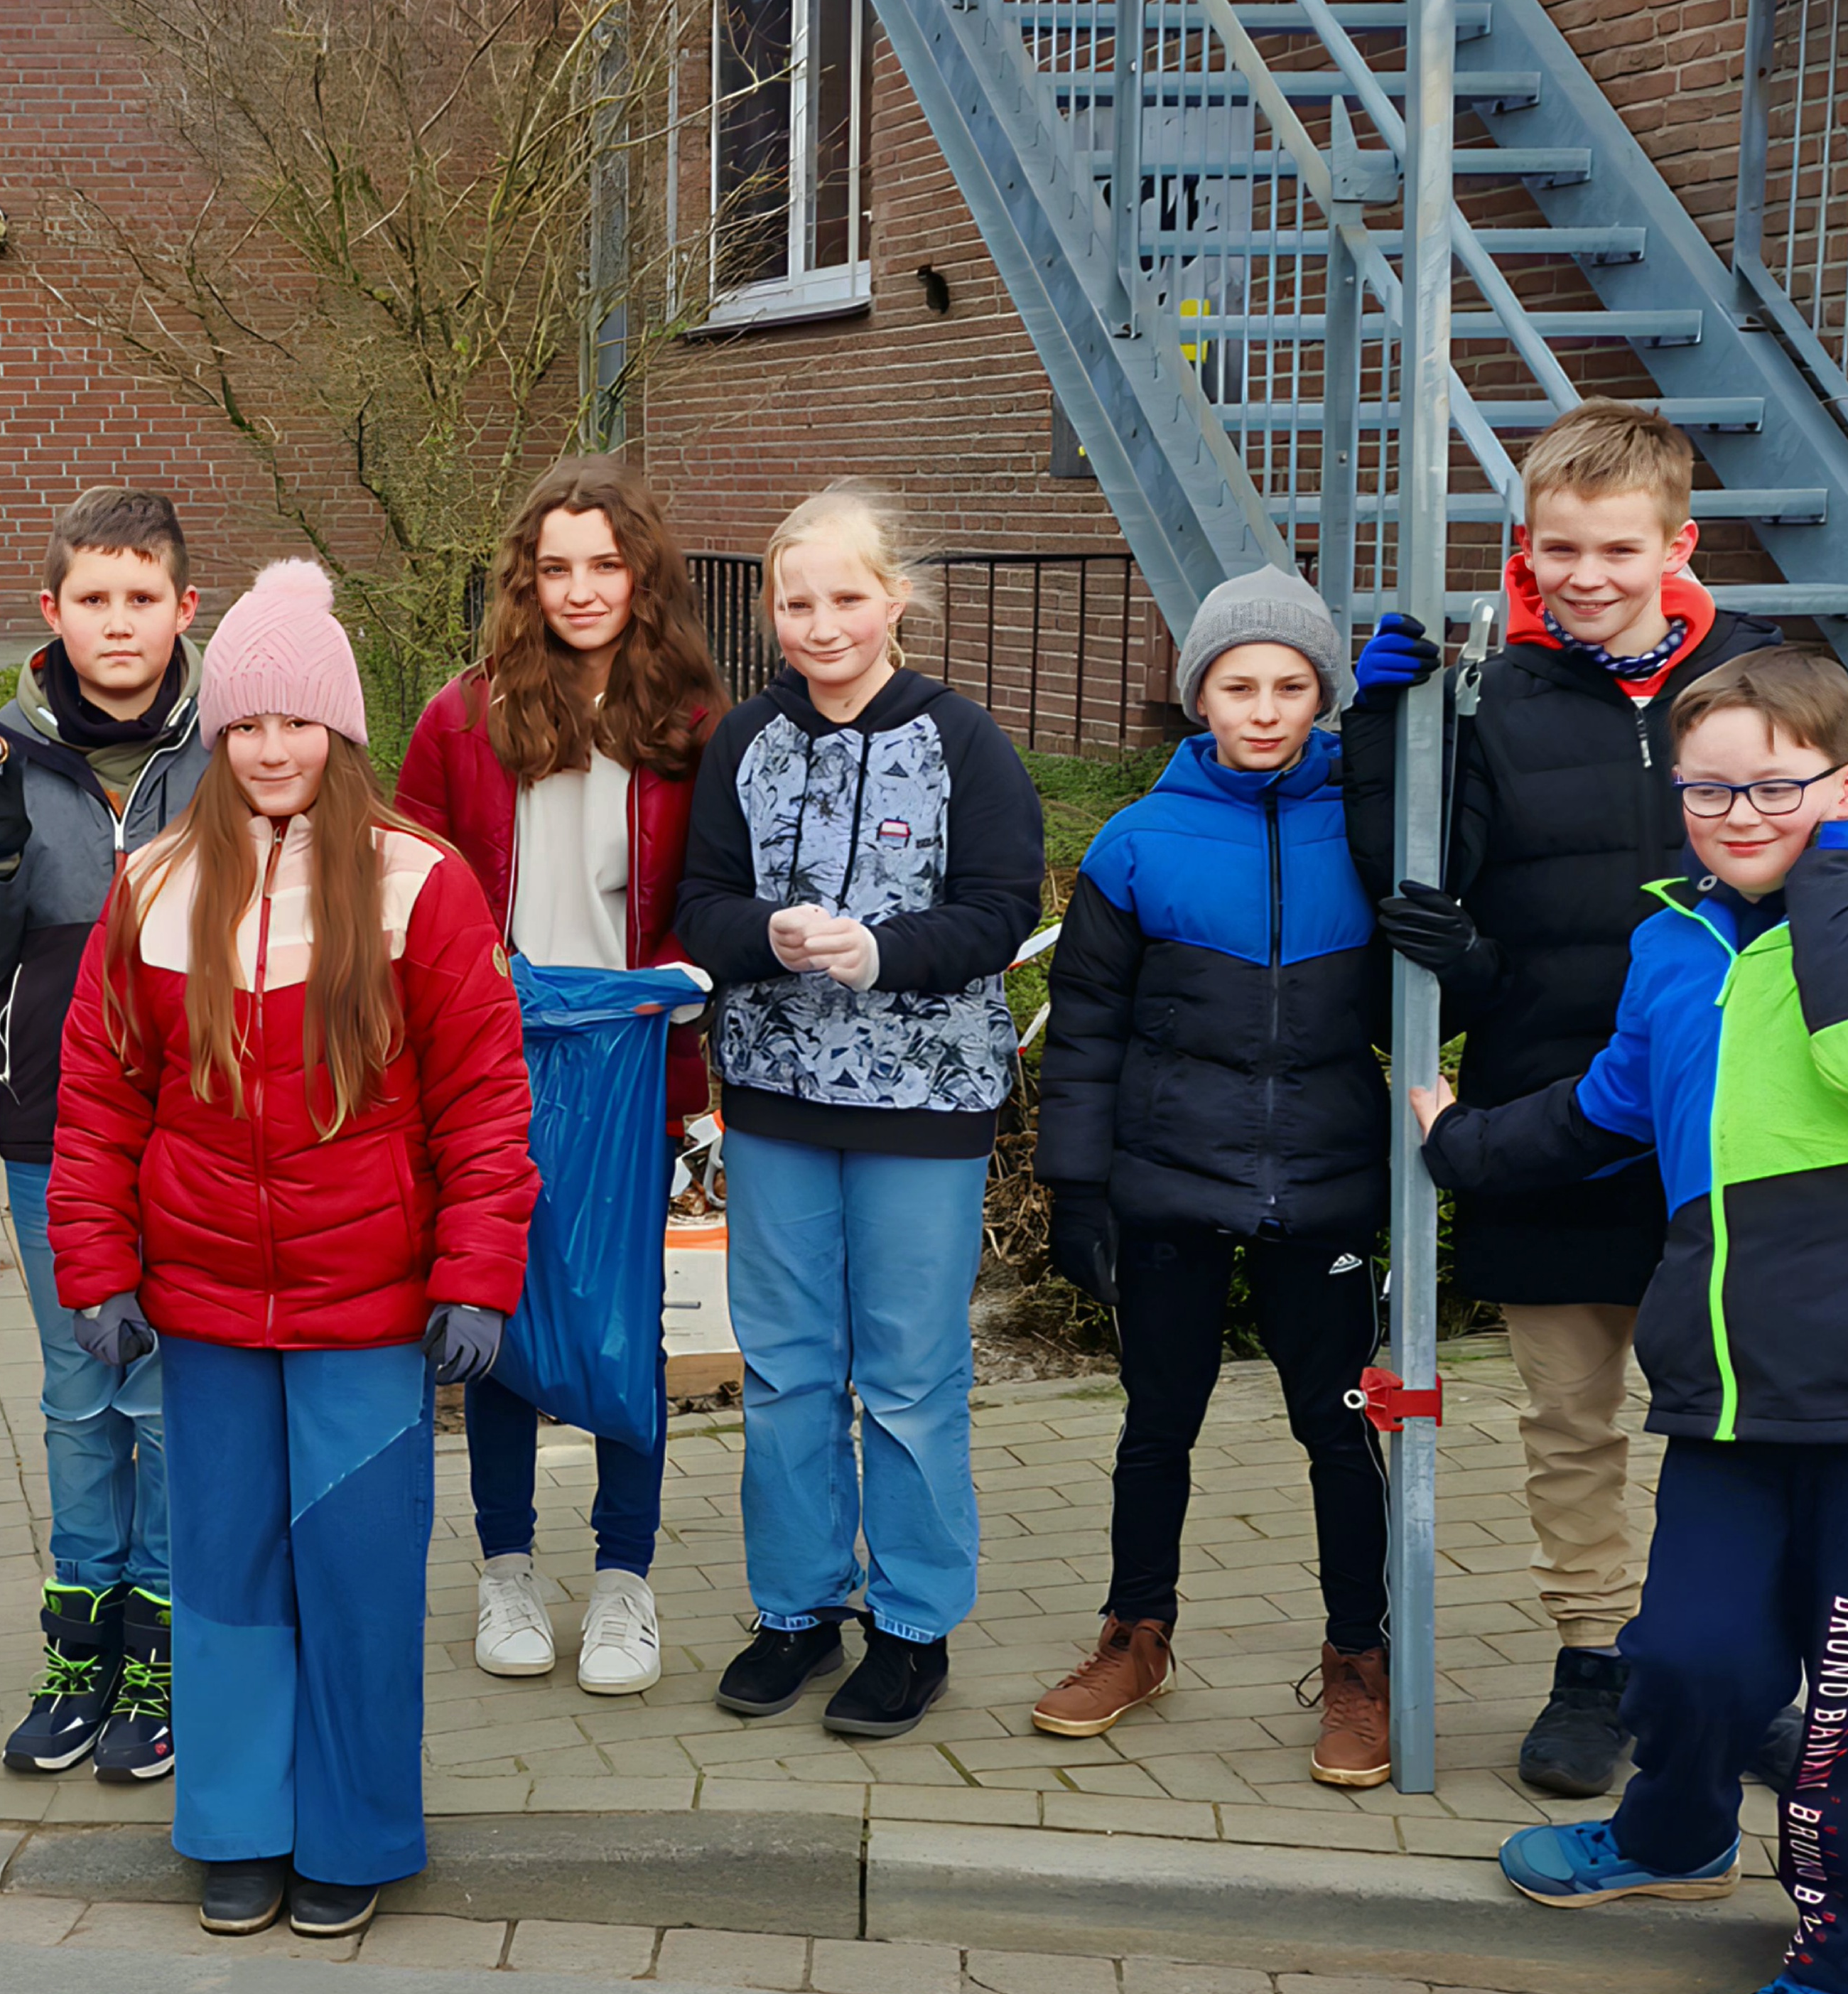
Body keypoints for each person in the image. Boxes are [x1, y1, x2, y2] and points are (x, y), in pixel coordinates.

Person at [1417, 647, 1848, 1994]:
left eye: (1772, 786)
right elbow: (1612, 1106)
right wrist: (1460, 1142)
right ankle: (1675, 1837)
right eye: (1706, 790)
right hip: (1734, 1387)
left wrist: (1834, 880)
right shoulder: (1673, 943)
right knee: (1681, 1658)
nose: (1736, 814)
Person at [52, 559, 537, 1940]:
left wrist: (473, 1275)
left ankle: (355, 1830)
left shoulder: (418, 887)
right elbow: (98, 1092)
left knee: (361, 1579)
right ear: (216, 737)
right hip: (198, 1311)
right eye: (248, 725)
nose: (272, 749)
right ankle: (237, 1825)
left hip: (367, 1314)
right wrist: (95, 1264)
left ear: (341, 736)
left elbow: (486, 1100)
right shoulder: (152, 885)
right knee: (223, 1575)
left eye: (299, 724)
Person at [1341, 400, 1783, 1800]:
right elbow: (1427, 881)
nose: (1584, 575)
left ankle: (1714, 1667)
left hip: (1728, 1132)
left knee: (1727, 1417)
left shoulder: (1760, 688)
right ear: (1524, 548)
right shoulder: (1497, 696)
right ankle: (1592, 1660)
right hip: (1545, 1114)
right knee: (1570, 1423)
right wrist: (1382, 727)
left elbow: (1815, 880)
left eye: (1615, 548)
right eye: (1557, 550)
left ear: (1677, 542)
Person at [672, 486, 1044, 1743]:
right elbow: (700, 907)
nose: (821, 623)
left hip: (923, 1107)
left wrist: (885, 952)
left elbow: (1000, 910)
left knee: (908, 1375)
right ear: (772, 611)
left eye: (846, 596)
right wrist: (763, 935)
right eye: (796, 601)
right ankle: (795, 1608)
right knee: (784, 1371)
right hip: (775, 1098)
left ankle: (914, 1622)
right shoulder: (746, 741)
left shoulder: (963, 740)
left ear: (896, 600)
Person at [1027, 569, 1396, 1786]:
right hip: (1171, 1182)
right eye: (1239, 684)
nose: (1266, 708)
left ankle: (1360, 1657)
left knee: (1339, 1430)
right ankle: (1138, 1632)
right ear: (1199, 695)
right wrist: (1077, 1192)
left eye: (1294, 686)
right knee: (1158, 1420)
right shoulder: (1139, 842)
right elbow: (1081, 1032)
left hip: (1329, 1181)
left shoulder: (1377, 823)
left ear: (1324, 695)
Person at [394, 456, 723, 1698]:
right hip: (492, 1060)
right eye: (556, 567)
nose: (581, 590)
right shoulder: (462, 716)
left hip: (638, 1067)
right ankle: (508, 1568)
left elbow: (714, 893)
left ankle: (627, 1580)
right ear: (524, 581)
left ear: (643, 575)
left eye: (606, 564)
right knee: (499, 1313)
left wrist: (688, 978)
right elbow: (417, 878)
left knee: (624, 1319)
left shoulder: (693, 721)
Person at [0, 487, 211, 1782]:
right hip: (53, 1119)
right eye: (92, 599)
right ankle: (80, 1637)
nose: (117, 622)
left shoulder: (230, 743)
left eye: (141, 598)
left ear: (181, 610)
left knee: (163, 1388)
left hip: (203, 1122)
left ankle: (163, 1639)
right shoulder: (2, 758)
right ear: (53, 612)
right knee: (78, 1385)